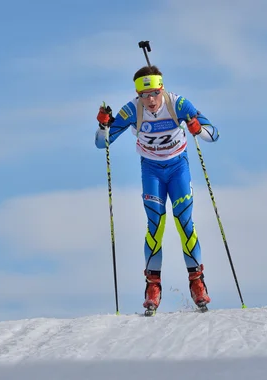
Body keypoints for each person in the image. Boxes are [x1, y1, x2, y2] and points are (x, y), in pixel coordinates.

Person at [94, 65, 220, 313]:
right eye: (144, 95)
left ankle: (197, 282)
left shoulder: (179, 104)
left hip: (177, 168)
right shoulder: (132, 110)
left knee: (185, 222)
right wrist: (103, 125)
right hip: (152, 170)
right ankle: (153, 286)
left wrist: (197, 128)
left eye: (154, 93)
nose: (150, 100)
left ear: (161, 88)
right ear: (137, 95)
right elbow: (103, 143)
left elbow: (214, 134)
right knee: (155, 225)